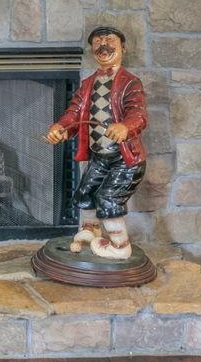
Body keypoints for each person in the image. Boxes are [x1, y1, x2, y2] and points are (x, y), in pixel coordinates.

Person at [44, 25, 148, 261]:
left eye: (109, 40)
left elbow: (138, 114)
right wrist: (60, 128)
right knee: (85, 193)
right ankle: (90, 231)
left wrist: (125, 127)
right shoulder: (88, 84)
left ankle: (120, 247)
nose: (103, 45)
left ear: (123, 47)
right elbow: (74, 113)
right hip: (100, 157)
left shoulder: (130, 83)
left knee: (108, 198)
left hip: (126, 158)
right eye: (98, 42)